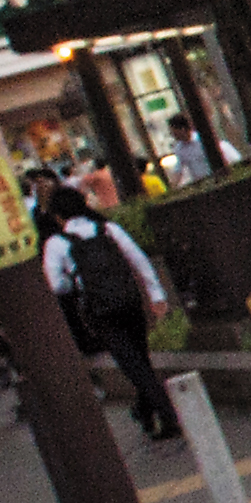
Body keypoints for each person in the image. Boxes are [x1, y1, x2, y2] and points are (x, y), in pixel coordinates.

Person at [36, 180, 180, 443]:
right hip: (130, 302)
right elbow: (138, 259)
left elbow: (55, 285)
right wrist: (156, 294)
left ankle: (169, 415)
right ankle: (144, 411)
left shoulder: (56, 244)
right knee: (140, 359)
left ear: (58, 216)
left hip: (100, 311)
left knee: (134, 365)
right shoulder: (108, 229)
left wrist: (76, 280)